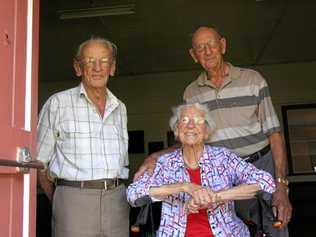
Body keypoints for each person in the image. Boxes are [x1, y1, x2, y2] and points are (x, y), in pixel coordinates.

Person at [134, 26, 292, 237]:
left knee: (275, 227)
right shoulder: (191, 92)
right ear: (193, 55)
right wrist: (156, 156)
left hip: (259, 164)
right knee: (227, 229)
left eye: (212, 44)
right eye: (200, 48)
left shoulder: (253, 80)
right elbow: (190, 137)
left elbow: (275, 134)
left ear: (223, 45)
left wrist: (281, 184)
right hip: (219, 172)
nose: (207, 51)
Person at [128, 103, 276, 237]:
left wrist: (215, 197)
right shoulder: (165, 164)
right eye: (184, 120)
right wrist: (184, 186)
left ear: (207, 132)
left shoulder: (223, 158)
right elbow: (133, 194)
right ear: (176, 131)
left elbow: (266, 182)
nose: (191, 125)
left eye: (198, 120)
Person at [37, 36, 129, 237]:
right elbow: (39, 162)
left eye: (104, 61)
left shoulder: (120, 107)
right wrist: (62, 197)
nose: (97, 67)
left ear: (112, 67)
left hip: (116, 201)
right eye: (89, 61)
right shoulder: (58, 103)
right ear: (78, 68)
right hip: (73, 200)